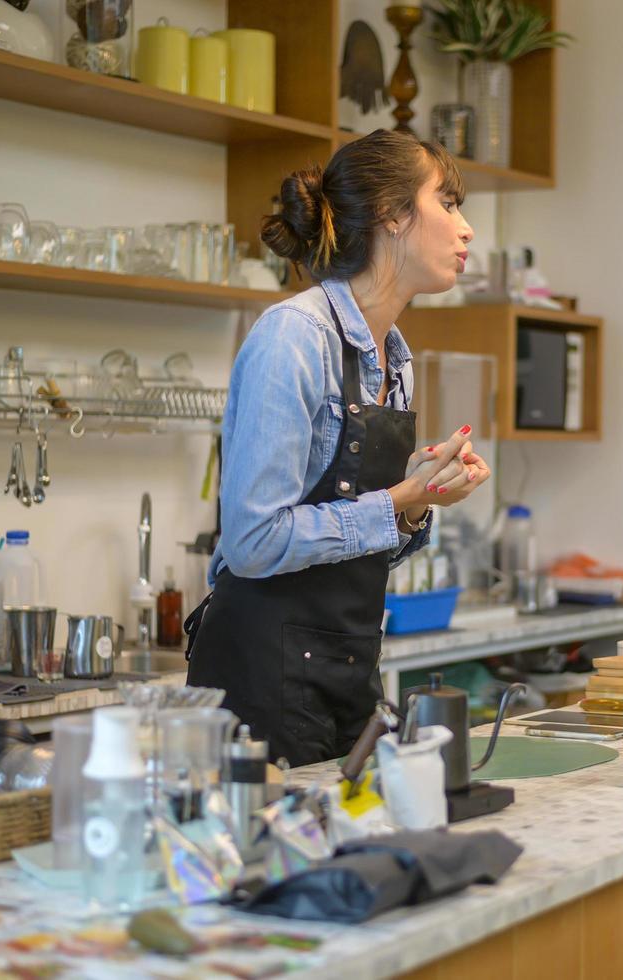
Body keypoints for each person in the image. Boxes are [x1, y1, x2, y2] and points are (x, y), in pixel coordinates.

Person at [185, 130, 489, 767]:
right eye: (449, 203)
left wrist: (416, 502)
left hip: (348, 669)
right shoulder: (292, 338)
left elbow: (359, 546)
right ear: (393, 216)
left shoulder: (394, 357)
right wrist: (393, 502)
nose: (466, 230)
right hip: (261, 678)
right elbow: (254, 540)